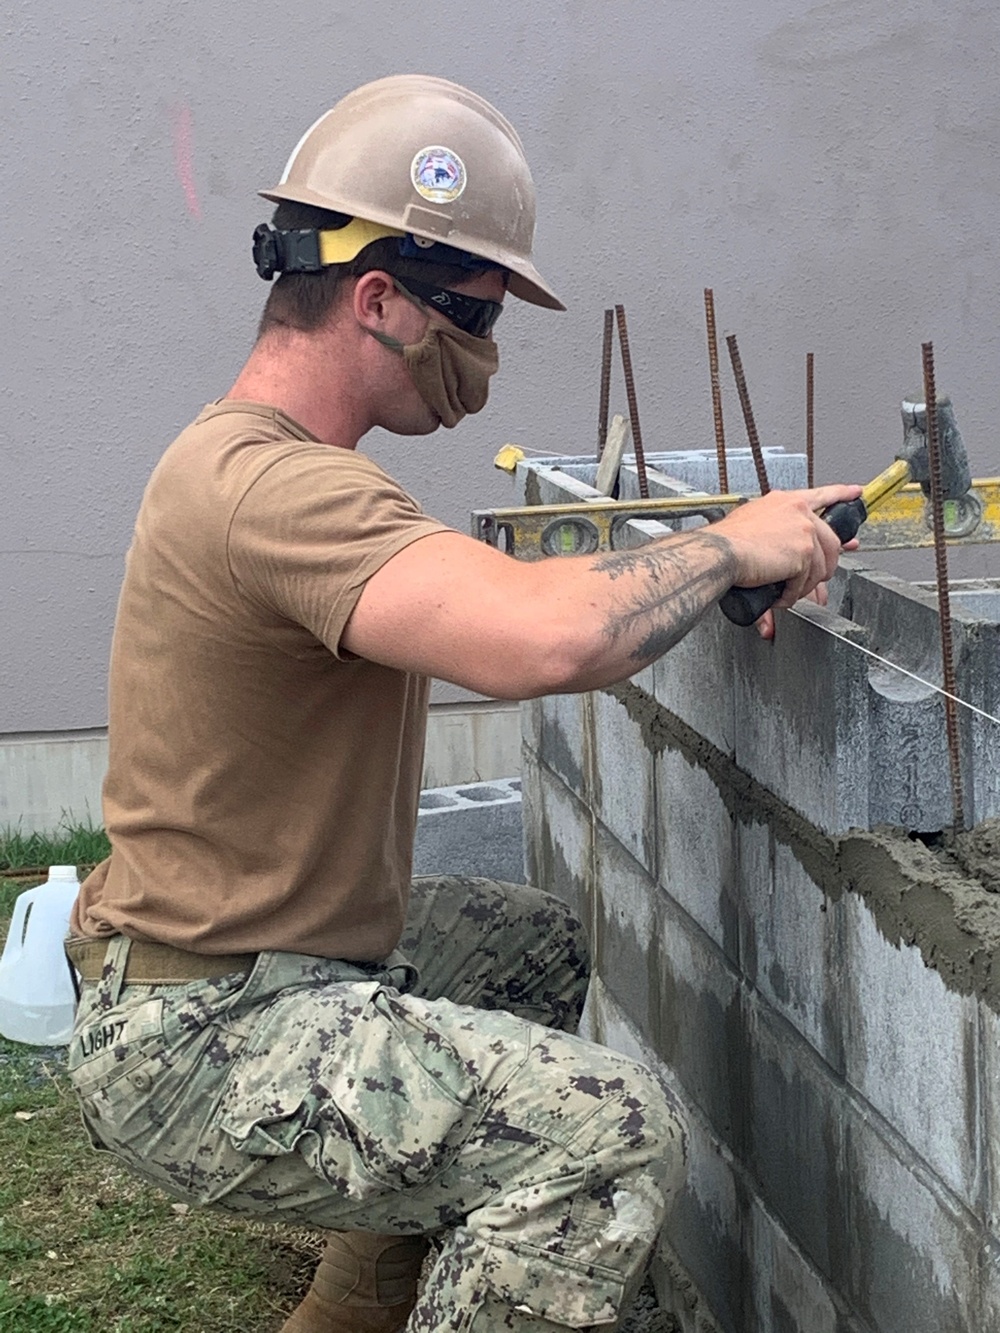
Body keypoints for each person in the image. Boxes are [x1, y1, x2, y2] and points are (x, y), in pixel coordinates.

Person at [66, 74, 860, 1333]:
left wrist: (709, 567)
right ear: (378, 299)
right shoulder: (273, 490)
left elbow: (526, 602)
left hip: (258, 966)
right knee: (608, 1133)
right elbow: (540, 636)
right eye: (476, 315)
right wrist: (725, 546)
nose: (485, 354)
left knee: (524, 946)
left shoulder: (271, 468)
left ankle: (350, 1306)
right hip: (198, 1031)